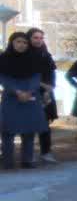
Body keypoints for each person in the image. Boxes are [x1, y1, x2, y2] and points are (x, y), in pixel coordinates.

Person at [0, 32, 48, 169]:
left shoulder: (34, 58)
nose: (22, 45)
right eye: (18, 42)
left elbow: (36, 77)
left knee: (29, 130)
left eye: (25, 42)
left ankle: (27, 160)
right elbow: (3, 79)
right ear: (12, 43)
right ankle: (7, 161)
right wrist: (16, 91)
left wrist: (29, 91)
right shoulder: (3, 58)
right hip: (11, 97)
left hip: (30, 96)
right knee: (8, 131)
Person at [27, 28, 58, 164]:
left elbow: (51, 73)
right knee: (28, 124)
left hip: (45, 93)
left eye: (41, 38)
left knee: (44, 123)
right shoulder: (24, 55)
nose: (39, 40)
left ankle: (46, 152)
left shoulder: (45, 54)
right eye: (35, 38)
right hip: (29, 92)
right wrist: (40, 85)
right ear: (29, 38)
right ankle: (28, 154)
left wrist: (48, 89)